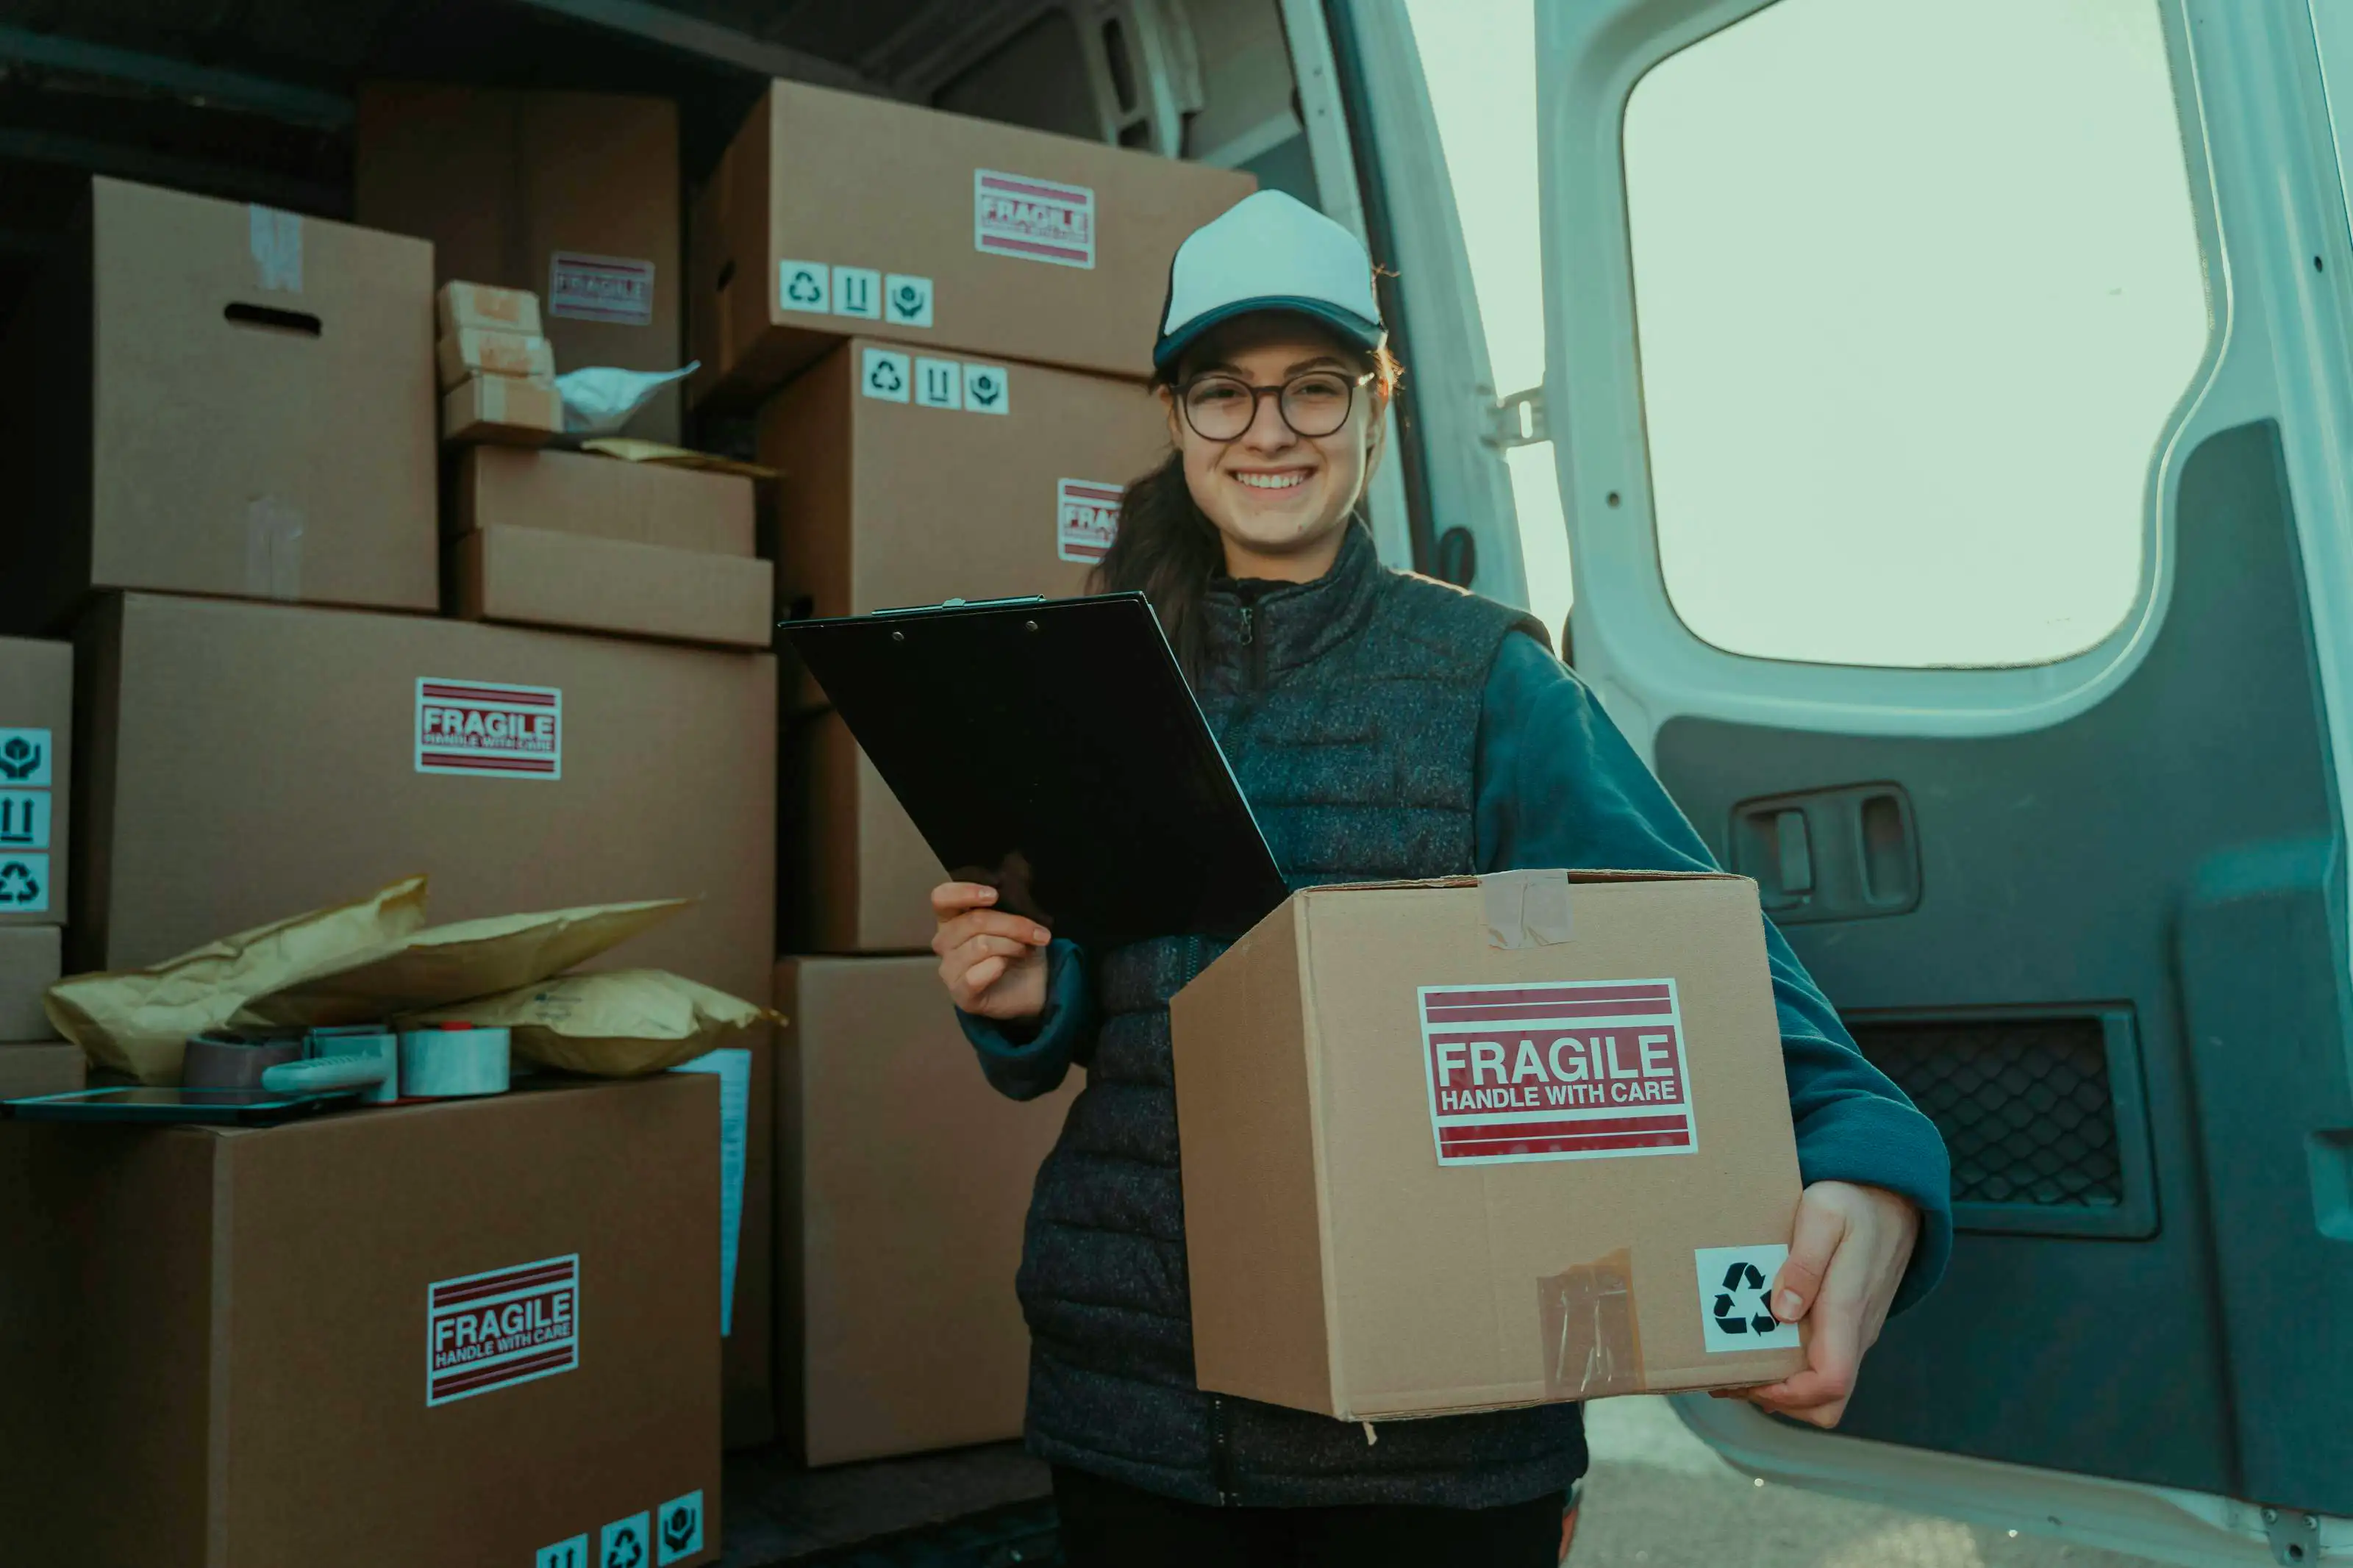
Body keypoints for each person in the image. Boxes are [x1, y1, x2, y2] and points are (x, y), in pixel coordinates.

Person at [929, 190, 1952, 1568]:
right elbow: (1086, 1028)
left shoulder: (1489, 682)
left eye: (1315, 389)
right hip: (1129, 1418)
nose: (1271, 430)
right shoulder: (1100, 677)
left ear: (1375, 407)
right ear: (1176, 420)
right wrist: (1028, 1000)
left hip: (1432, 1463)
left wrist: (1874, 1173)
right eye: (1225, 394)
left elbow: (1710, 980)